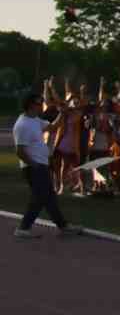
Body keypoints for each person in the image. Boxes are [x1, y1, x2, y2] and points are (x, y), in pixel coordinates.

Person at [12, 92, 81, 239]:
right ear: (31, 105)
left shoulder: (35, 120)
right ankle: (23, 228)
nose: (41, 106)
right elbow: (19, 151)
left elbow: (54, 127)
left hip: (41, 165)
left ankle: (63, 226)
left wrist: (62, 113)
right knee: (40, 198)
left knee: (49, 198)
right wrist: (34, 164)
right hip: (33, 167)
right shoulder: (22, 124)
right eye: (39, 103)